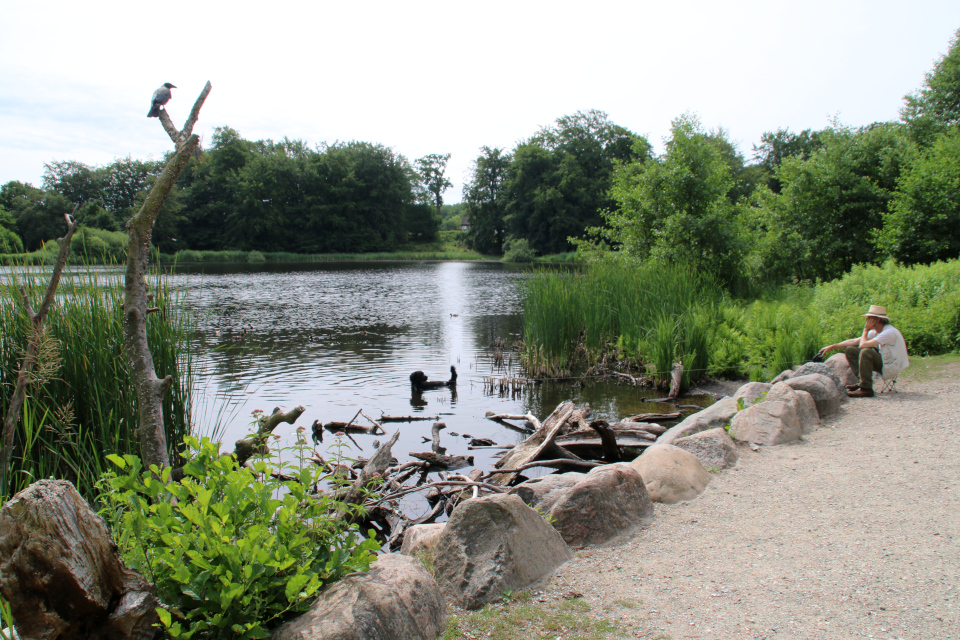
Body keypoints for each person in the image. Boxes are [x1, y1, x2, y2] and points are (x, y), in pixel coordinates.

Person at [818, 305, 909, 397]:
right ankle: (862, 383)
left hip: (892, 366)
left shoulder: (889, 332)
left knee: (866, 352)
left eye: (869, 318)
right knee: (850, 350)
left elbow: (862, 345)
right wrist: (832, 347)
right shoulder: (876, 332)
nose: (866, 321)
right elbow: (854, 341)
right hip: (885, 362)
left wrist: (865, 330)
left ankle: (866, 389)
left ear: (877, 320)